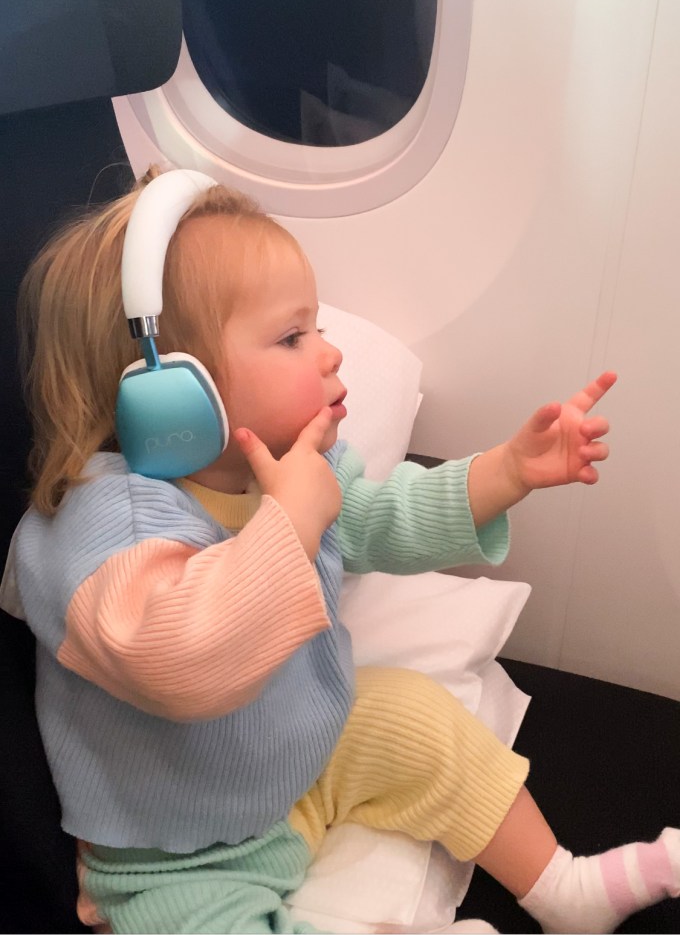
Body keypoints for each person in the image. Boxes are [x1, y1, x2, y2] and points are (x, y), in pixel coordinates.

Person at [3, 166, 678, 935]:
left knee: (413, 717)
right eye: (293, 336)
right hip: (177, 858)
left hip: (292, 768)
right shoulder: (105, 527)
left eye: (317, 327)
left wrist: (506, 472)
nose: (329, 353)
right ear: (172, 392)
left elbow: (385, 516)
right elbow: (183, 656)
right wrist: (289, 520)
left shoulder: (297, 463)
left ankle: (565, 887)